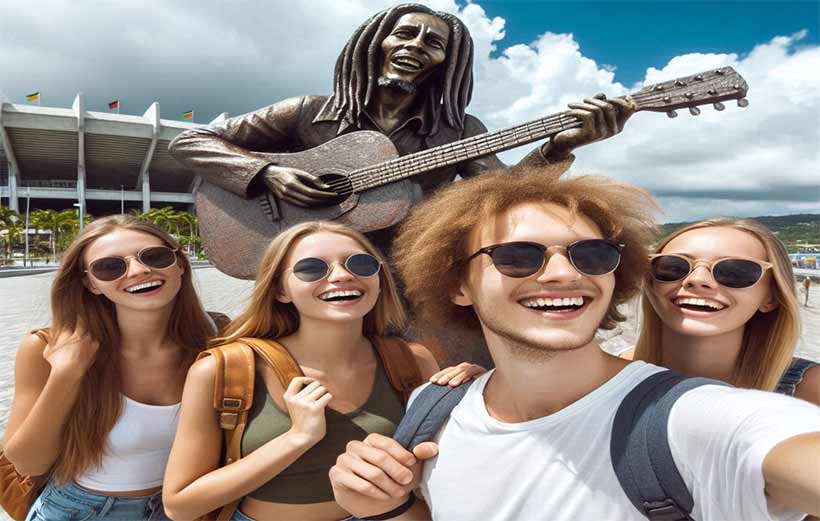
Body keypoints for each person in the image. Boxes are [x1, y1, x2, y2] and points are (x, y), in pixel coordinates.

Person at [328, 166, 820, 520]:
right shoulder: (434, 409)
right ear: (458, 284)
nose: (564, 273)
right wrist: (386, 508)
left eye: (592, 255)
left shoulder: (692, 418)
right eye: (517, 256)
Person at [168, 3, 633, 255]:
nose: (416, 46)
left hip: (403, 272)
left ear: (446, 64)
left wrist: (561, 146)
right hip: (302, 263)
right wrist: (267, 174)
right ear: (375, 43)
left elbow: (508, 194)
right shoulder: (307, 111)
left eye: (434, 44)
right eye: (405, 34)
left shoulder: (461, 130)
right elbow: (189, 140)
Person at [162, 221, 481, 521]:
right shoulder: (225, 368)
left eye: (360, 264)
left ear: (379, 279)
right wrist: (297, 438)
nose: (341, 275)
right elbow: (180, 504)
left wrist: (482, 389)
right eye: (311, 268)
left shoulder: (411, 361)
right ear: (280, 290)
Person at [2, 215, 217, 521]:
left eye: (155, 257)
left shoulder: (217, 338)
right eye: (110, 267)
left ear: (179, 264)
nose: (140, 271)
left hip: (184, 510)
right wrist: (67, 373)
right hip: (81, 511)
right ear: (90, 283)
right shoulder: (46, 349)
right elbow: (27, 463)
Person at [632, 219, 819, 404]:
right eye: (673, 267)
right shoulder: (613, 373)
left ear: (771, 298)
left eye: (735, 272)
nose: (698, 279)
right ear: (652, 284)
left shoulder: (811, 390)